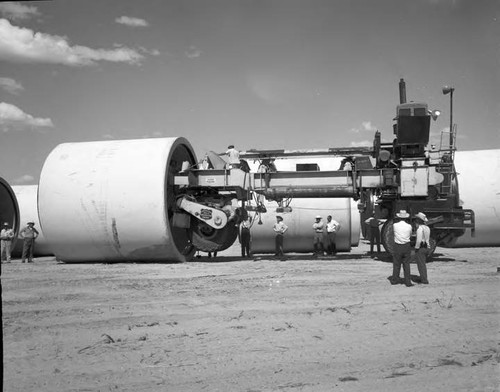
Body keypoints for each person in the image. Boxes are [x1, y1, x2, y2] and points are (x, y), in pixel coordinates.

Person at [389, 210, 413, 287]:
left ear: (399, 217)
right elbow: (410, 234)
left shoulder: (395, 225)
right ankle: (408, 281)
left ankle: (395, 279)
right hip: (406, 245)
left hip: (398, 245)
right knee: (406, 264)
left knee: (396, 264)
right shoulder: (409, 226)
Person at [413, 212, 430, 284]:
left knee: (421, 264)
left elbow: (419, 240)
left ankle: (424, 279)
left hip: (421, 247)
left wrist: (416, 247)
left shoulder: (419, 229)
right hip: (426, 247)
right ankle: (424, 277)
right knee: (423, 264)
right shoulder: (427, 228)